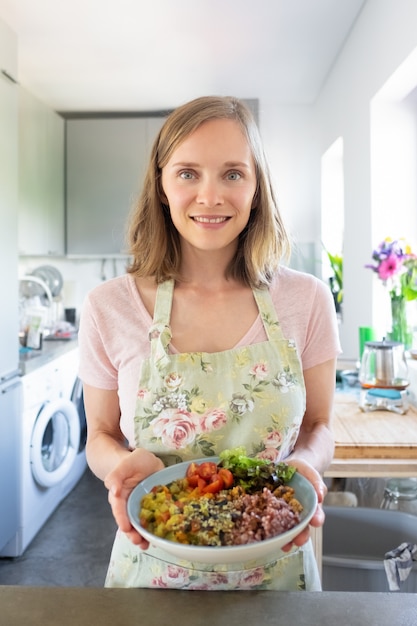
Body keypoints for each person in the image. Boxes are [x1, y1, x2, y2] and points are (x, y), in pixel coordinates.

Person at [78, 95, 341, 590]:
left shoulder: (307, 299)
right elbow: (100, 435)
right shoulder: (108, 306)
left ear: (257, 187)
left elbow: (322, 424)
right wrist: (121, 466)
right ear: (160, 185)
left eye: (233, 174)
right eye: (187, 173)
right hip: (152, 572)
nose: (210, 196)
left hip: (278, 571)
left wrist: (305, 465)